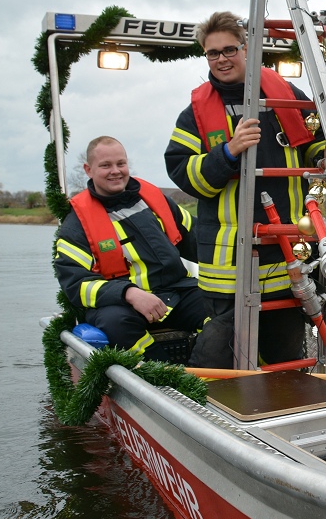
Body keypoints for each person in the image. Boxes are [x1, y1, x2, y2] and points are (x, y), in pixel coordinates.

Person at [165, 11, 326, 369]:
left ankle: (281, 412)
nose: (222, 59)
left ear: (246, 49)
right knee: (217, 358)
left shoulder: (287, 94)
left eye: (229, 49)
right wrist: (229, 151)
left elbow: (314, 144)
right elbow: (184, 174)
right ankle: (207, 419)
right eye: (212, 53)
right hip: (229, 269)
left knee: (286, 358)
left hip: (287, 255)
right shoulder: (193, 114)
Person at [55, 136, 210, 364]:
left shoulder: (156, 200)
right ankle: (162, 377)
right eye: (105, 165)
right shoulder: (76, 225)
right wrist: (129, 293)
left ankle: (206, 372)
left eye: (121, 163)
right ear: (88, 170)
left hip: (176, 291)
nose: (115, 171)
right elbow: (77, 285)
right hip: (122, 305)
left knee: (221, 306)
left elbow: (199, 240)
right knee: (115, 324)